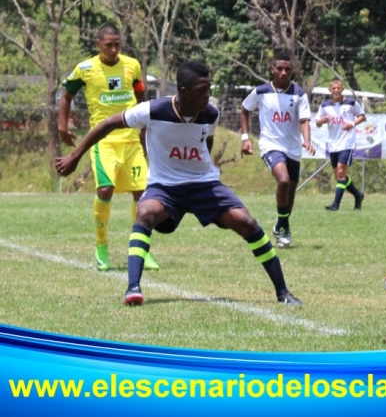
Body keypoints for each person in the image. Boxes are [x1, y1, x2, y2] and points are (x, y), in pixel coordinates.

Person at [55, 61, 302, 306]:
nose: (208, 96)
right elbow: (108, 123)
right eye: (201, 91)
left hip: (203, 185)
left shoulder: (211, 114)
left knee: (247, 222)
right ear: (183, 91)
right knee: (145, 212)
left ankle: (283, 292)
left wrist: (204, 171)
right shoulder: (153, 110)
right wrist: (74, 157)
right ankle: (133, 288)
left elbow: (207, 143)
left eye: (209, 89)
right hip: (165, 187)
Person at [58, 24, 159, 272]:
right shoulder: (85, 69)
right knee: (105, 189)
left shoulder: (132, 66)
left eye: (117, 44)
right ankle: (101, 246)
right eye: (108, 45)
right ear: (98, 44)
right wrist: (62, 127)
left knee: (142, 194)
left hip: (131, 141)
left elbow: (140, 96)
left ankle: (141, 249)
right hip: (102, 141)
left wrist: (145, 125)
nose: (114, 50)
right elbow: (66, 96)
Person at [240, 53, 316, 248]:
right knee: (282, 180)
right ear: (272, 70)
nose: (283, 72)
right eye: (279, 68)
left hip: (292, 148)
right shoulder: (261, 91)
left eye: (287, 69)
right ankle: (284, 227)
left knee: (290, 190)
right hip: (270, 145)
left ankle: (282, 224)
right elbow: (245, 109)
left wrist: (307, 140)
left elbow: (305, 120)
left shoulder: (298, 93)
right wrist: (245, 138)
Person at [315, 78, 366, 211]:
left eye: (338, 88)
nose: (336, 90)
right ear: (329, 90)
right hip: (333, 144)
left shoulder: (351, 103)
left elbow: (362, 116)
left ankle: (335, 205)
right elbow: (317, 123)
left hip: (347, 143)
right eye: (334, 88)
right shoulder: (325, 106)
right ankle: (357, 195)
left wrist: (352, 123)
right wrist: (322, 120)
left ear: (342, 89)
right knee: (340, 176)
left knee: (341, 172)